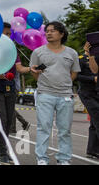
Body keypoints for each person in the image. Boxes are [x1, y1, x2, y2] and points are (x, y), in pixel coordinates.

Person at [30, 21, 81, 165]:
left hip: (65, 95)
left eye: (52, 30)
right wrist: (37, 74)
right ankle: (41, 158)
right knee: (43, 127)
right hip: (45, 93)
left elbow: (74, 73)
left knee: (64, 130)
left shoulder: (72, 53)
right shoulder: (38, 52)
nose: (48, 33)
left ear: (62, 34)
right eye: (47, 31)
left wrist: (64, 85)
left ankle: (64, 159)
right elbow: (35, 74)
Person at [0, 22, 31, 165]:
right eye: (3, 34)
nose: (6, 37)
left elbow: (19, 68)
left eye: (8, 34)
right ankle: (3, 152)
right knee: (3, 120)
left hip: (10, 88)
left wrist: (31, 68)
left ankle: (0, 151)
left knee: (8, 121)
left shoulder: (13, 50)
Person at [76, 42, 99, 159]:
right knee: (97, 117)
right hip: (86, 93)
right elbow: (76, 76)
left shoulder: (97, 58)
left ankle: (92, 150)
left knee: (95, 122)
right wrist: (92, 78)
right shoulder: (81, 59)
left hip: (97, 93)